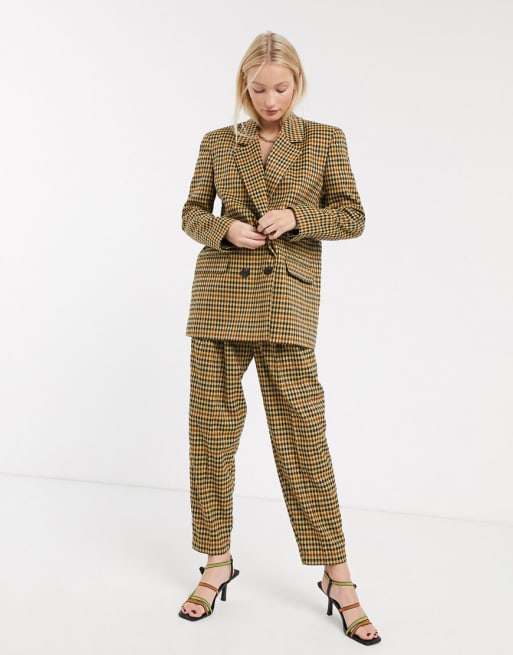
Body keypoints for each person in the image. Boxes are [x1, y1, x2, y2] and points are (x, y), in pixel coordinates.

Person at [178, 32, 380, 646]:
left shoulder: (325, 139)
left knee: (303, 438)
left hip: (286, 304)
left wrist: (297, 218)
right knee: (211, 434)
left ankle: (338, 577)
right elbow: (191, 213)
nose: (270, 100)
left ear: (298, 84)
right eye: (259, 88)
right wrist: (224, 229)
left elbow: (353, 216)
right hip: (218, 301)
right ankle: (216, 562)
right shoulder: (218, 142)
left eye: (282, 88)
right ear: (245, 85)